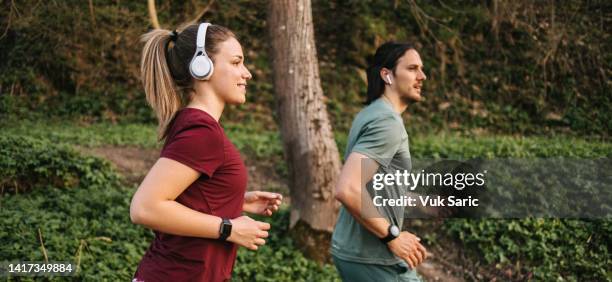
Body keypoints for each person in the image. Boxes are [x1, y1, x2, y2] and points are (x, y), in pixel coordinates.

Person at [129, 22, 282, 282]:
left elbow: (186, 194)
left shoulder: (195, 125)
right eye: (236, 62)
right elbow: (145, 208)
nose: (247, 74)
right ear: (202, 66)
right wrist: (228, 227)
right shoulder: (202, 133)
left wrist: (235, 199)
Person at [332, 42, 428, 281]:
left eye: (422, 69)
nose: (422, 76)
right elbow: (348, 188)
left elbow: (375, 188)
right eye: (413, 68)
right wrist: (392, 236)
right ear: (387, 75)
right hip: (373, 256)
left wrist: (428, 202)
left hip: (355, 251)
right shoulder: (387, 123)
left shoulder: (371, 113)